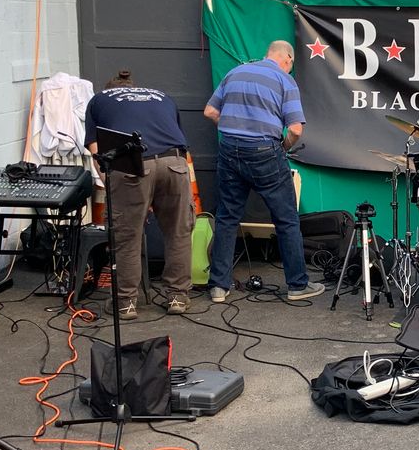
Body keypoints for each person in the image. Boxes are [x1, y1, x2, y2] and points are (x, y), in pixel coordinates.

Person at [205, 41, 324, 303]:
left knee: (226, 218)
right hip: (265, 152)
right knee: (286, 219)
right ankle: (297, 285)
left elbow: (210, 111)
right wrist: (283, 148)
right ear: (287, 59)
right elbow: (296, 130)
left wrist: (232, 130)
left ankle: (218, 287)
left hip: (229, 149)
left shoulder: (235, 72)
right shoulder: (285, 80)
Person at [83, 70, 195, 319]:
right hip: (175, 163)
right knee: (178, 232)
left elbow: (97, 151)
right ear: (134, 87)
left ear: (109, 89)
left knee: (126, 236)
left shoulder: (100, 100)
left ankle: (125, 303)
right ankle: (177, 297)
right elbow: (177, 139)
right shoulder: (161, 96)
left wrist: (112, 187)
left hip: (133, 164)